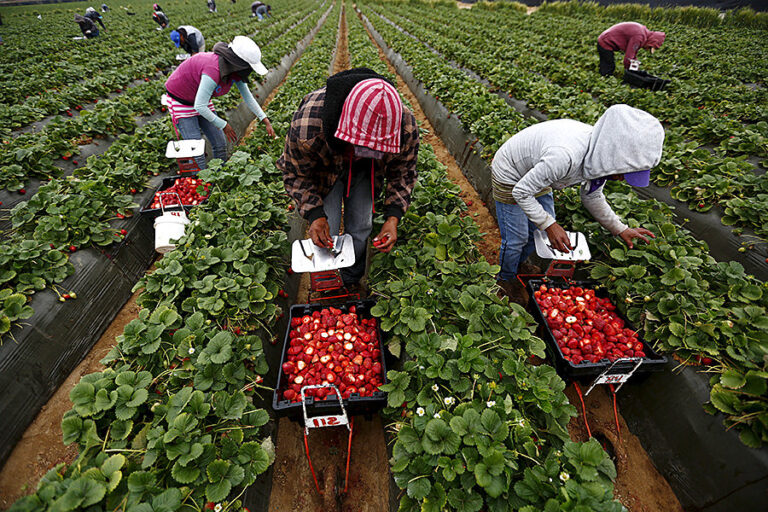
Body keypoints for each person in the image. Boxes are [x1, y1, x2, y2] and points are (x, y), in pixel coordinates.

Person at [491, 104, 663, 303]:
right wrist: (549, 225)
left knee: (537, 233)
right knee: (517, 238)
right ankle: (506, 278)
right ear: (613, 157)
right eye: (625, 172)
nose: (624, 179)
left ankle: (520, 264)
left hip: (540, 176)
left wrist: (620, 228)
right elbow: (521, 192)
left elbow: (592, 196)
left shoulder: (601, 158)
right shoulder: (565, 156)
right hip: (511, 174)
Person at [277, 68, 420, 289]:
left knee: (362, 225)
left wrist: (393, 218)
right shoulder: (309, 125)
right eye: (359, 147)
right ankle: (327, 281)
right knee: (328, 228)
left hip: (367, 170)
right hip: (325, 167)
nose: (363, 152)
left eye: (372, 148)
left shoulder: (404, 126)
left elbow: (403, 172)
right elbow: (295, 173)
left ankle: (351, 279)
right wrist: (315, 214)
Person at [164, 36, 275, 169]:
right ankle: (202, 185)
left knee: (220, 143)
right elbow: (200, 106)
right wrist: (223, 124)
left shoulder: (232, 71)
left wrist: (265, 119)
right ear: (239, 63)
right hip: (181, 100)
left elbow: (248, 97)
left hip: (201, 100)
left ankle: (220, 177)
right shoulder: (214, 69)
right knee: (196, 150)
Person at [597, 22, 665, 77]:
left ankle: (602, 74)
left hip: (606, 37)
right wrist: (632, 74)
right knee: (608, 67)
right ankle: (604, 80)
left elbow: (633, 54)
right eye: (649, 47)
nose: (646, 49)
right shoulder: (639, 37)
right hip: (605, 41)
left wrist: (635, 68)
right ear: (651, 41)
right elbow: (628, 58)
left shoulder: (643, 33)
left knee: (606, 63)